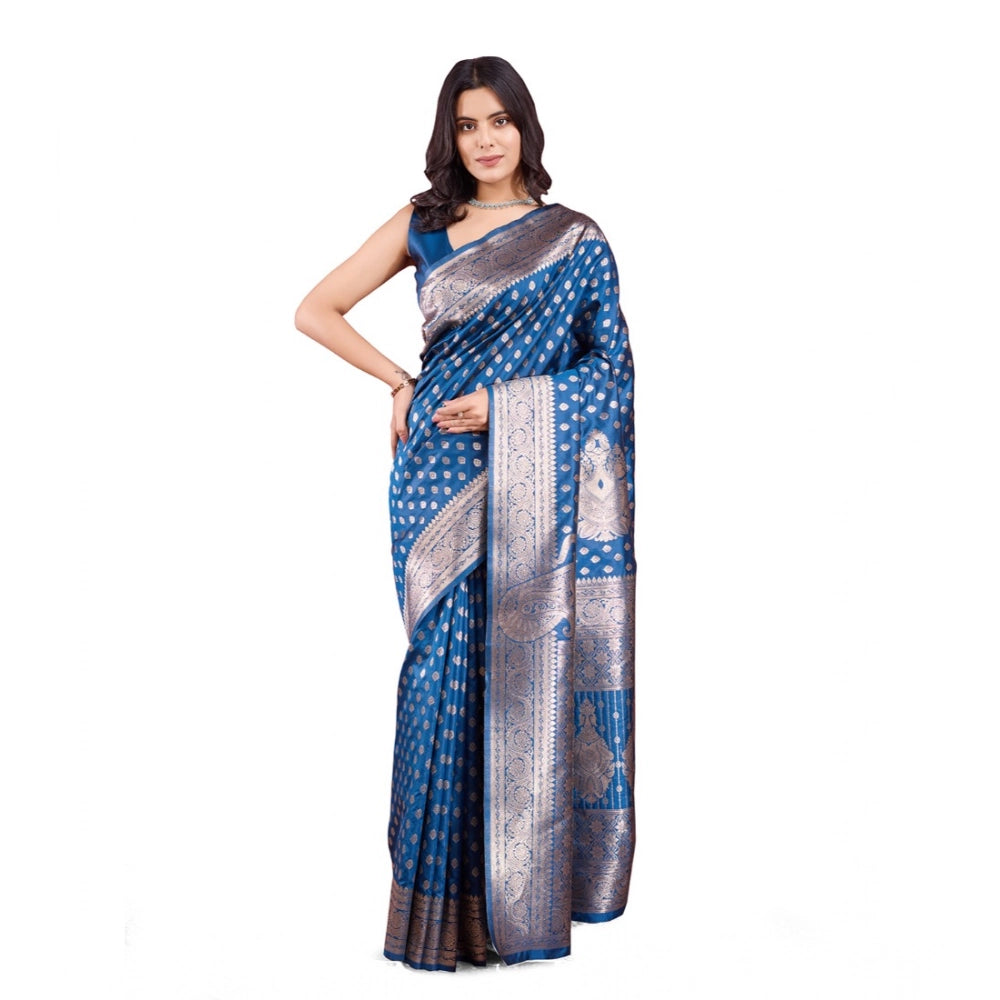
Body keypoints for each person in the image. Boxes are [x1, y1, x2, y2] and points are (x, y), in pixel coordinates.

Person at [295, 56, 637, 972]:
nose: (485, 140)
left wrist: (511, 405)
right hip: (436, 475)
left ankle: (511, 908)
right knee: (437, 674)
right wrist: (397, 381)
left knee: (521, 675)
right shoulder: (425, 222)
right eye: (467, 124)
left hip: (536, 488)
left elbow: (610, 374)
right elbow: (316, 309)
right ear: (449, 136)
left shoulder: (575, 240)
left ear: (525, 126)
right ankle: (434, 913)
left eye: (499, 121)